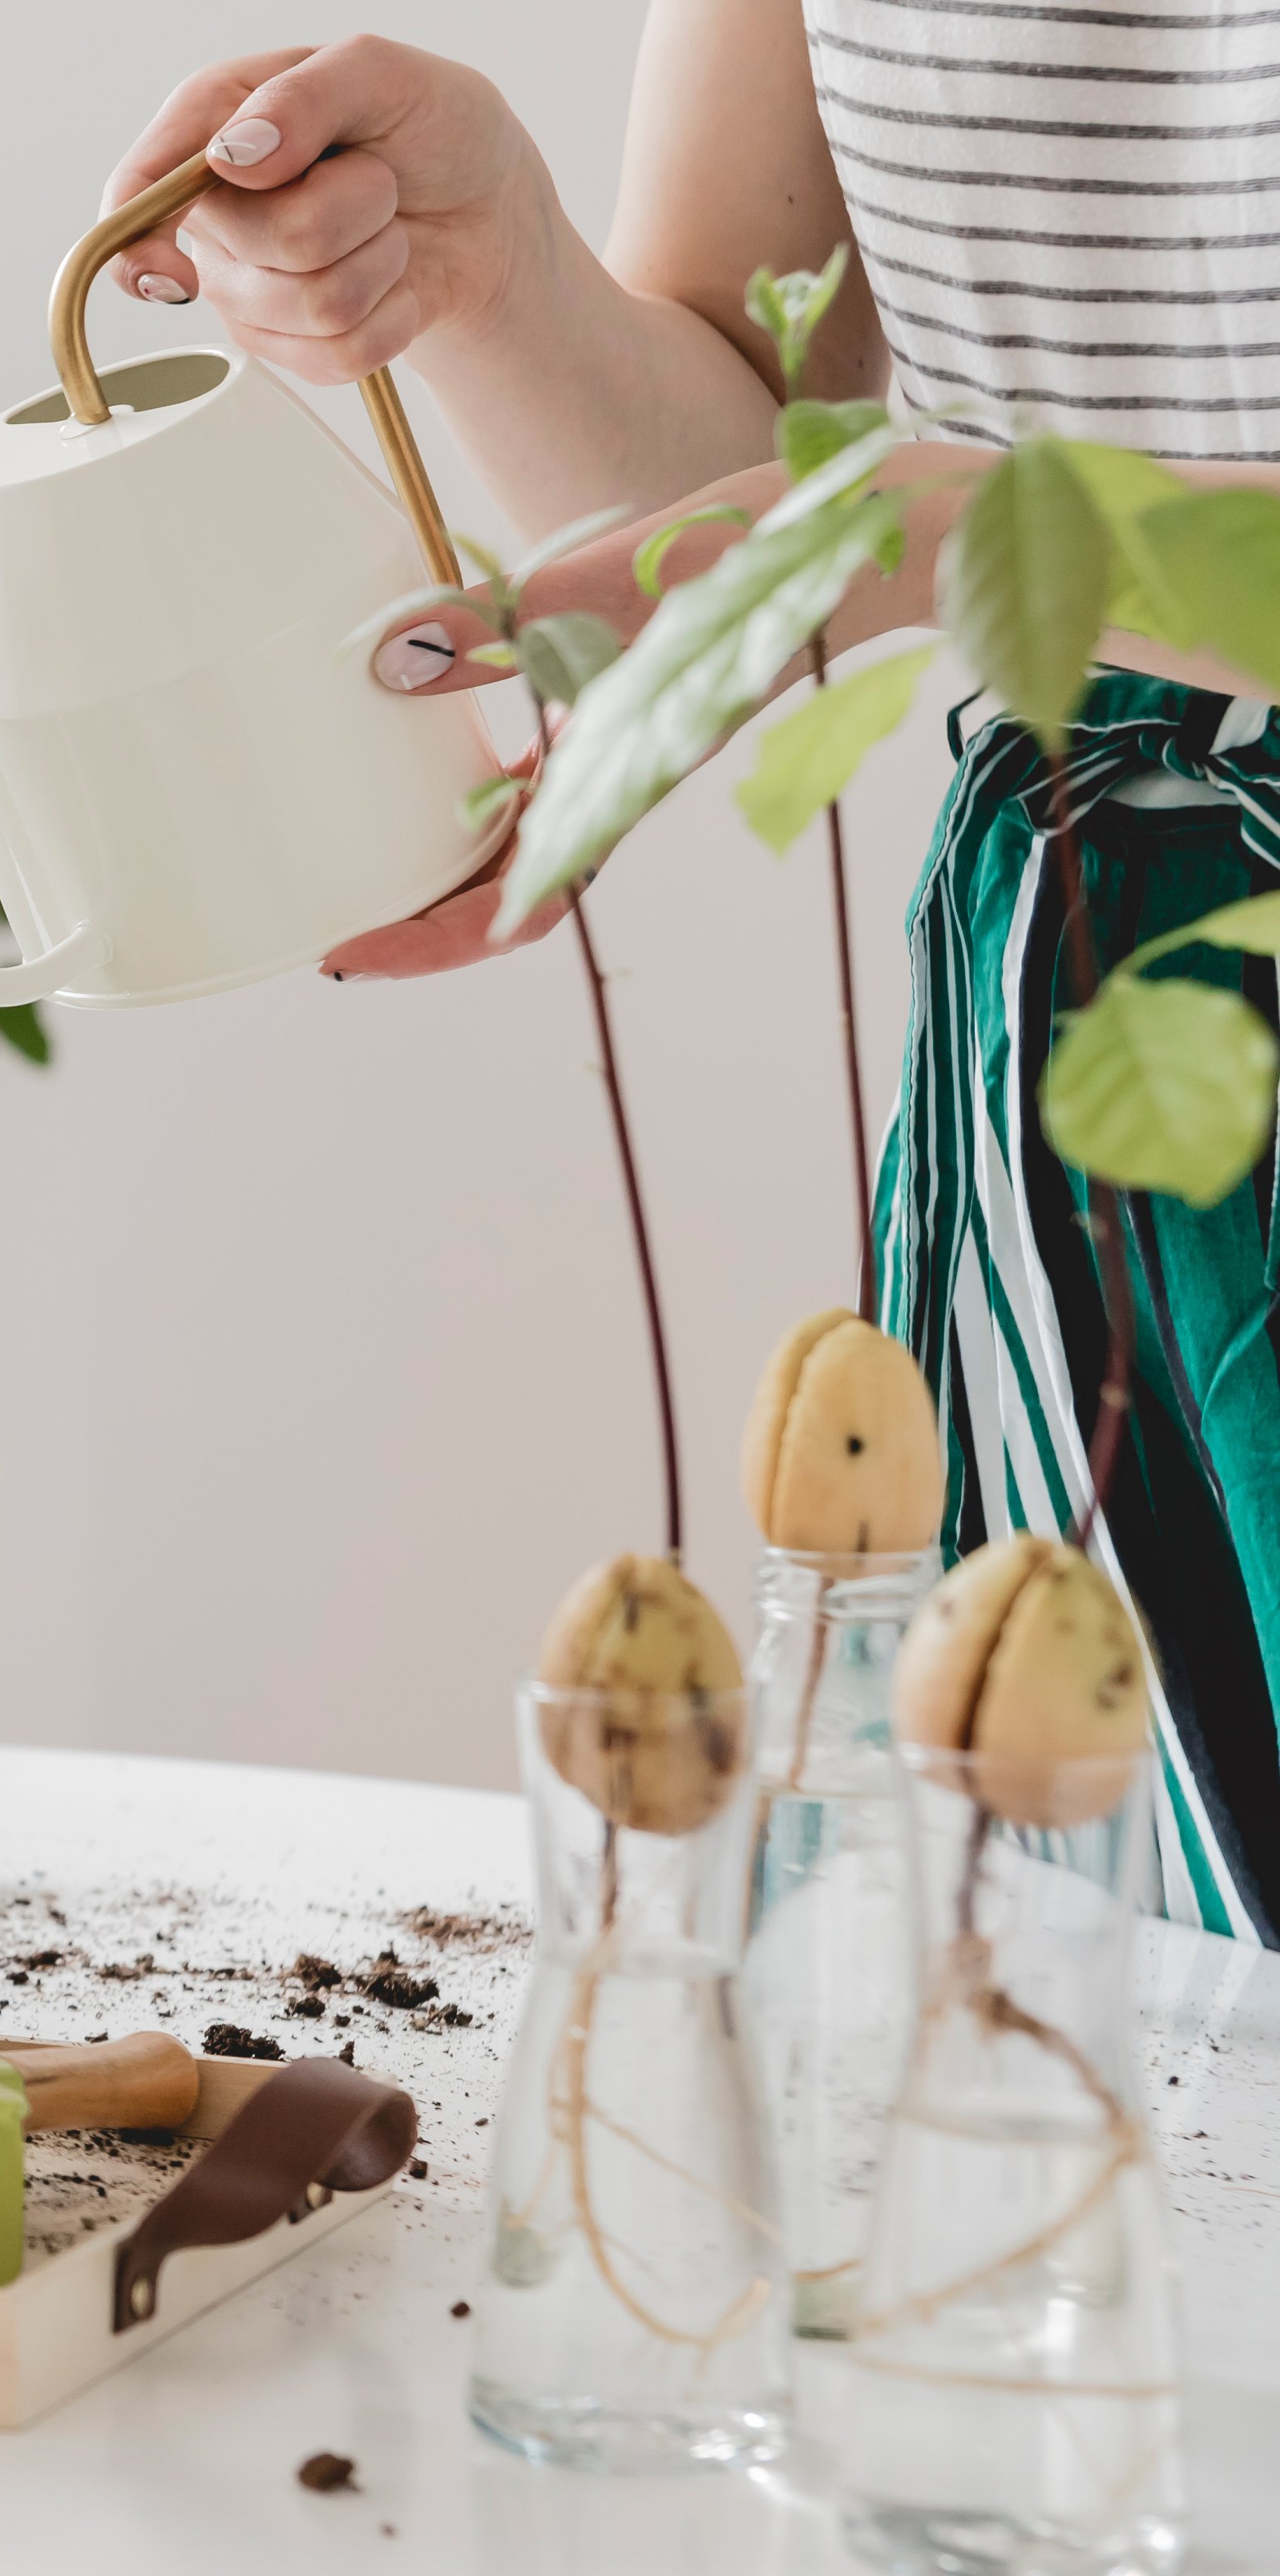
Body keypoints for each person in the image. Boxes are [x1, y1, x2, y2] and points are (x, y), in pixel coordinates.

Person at [104, 5, 1279, 1942]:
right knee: (1110, 2064)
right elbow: (754, 434)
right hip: (1088, 1025)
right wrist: (498, 271)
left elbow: (900, 516)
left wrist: (983, 527)